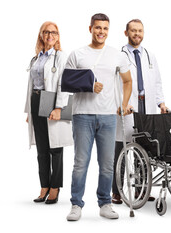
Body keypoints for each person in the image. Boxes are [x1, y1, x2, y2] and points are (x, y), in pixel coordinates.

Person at [65, 13, 133, 221]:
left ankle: (105, 203)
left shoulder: (116, 55)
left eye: (105, 28)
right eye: (97, 28)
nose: (101, 32)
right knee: (80, 163)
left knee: (106, 164)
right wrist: (88, 85)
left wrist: (122, 105)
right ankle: (76, 204)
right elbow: (66, 83)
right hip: (82, 115)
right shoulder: (77, 54)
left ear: (108, 30)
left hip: (107, 116)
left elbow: (127, 81)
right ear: (90, 28)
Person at [112, 19, 170, 204]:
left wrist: (161, 103)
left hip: (147, 107)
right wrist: (122, 103)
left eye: (140, 31)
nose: (137, 34)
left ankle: (141, 190)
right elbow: (114, 84)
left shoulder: (149, 56)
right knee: (121, 149)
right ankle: (117, 191)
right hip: (127, 109)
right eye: (133, 31)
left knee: (144, 151)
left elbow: (157, 82)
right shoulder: (118, 56)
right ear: (126, 33)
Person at [24, 21, 73, 204]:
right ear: (41, 35)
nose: (49, 35)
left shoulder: (60, 57)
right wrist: (29, 110)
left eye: (53, 32)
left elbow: (64, 84)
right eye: (46, 32)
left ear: (57, 36)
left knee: (55, 147)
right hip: (37, 100)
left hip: (51, 100)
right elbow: (31, 86)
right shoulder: (36, 58)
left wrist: (59, 107)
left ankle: (55, 187)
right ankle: (44, 185)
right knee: (42, 148)